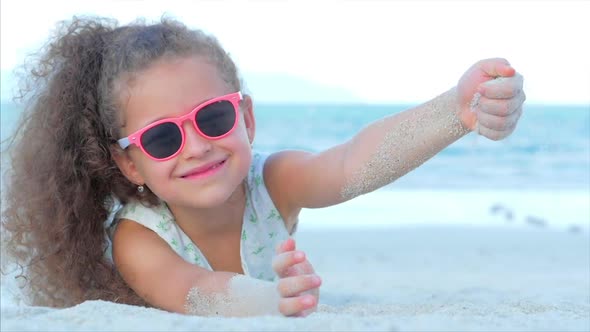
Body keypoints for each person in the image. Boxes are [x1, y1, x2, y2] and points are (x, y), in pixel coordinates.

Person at [1, 16, 525, 317]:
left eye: (213, 116)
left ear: (245, 116)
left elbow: (352, 163)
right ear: (130, 163)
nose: (196, 146)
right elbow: (194, 292)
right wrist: (268, 300)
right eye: (162, 137)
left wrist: (455, 111)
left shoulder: (273, 181)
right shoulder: (137, 239)